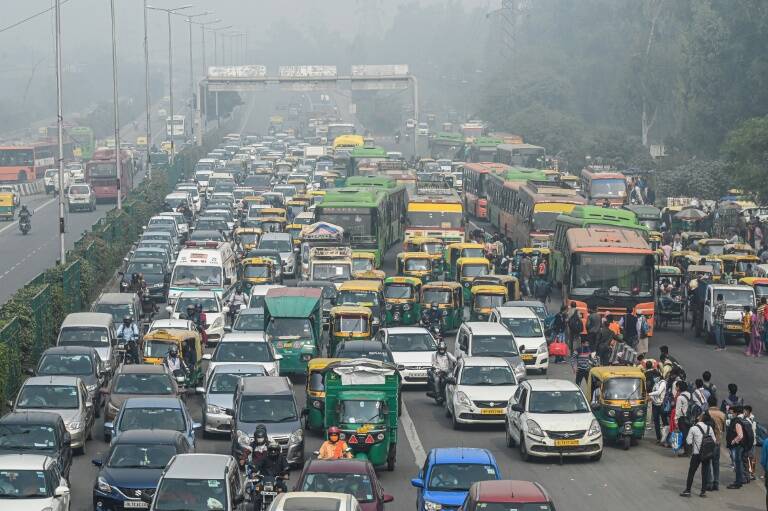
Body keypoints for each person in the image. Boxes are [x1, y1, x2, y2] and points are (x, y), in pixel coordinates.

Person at [680, 413, 717, 497]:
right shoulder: (709, 428)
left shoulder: (693, 428)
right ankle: (703, 492)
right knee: (705, 473)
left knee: (691, 472)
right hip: (707, 453)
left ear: (700, 418)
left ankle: (688, 490)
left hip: (696, 454)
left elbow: (688, 441)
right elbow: (714, 441)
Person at [705, 395, 726, 492]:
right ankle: (716, 483)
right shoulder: (722, 414)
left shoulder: (706, 413)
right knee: (716, 463)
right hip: (717, 441)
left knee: (707, 462)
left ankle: (708, 483)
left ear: (708, 403)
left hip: (708, 441)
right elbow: (724, 429)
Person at [726, 405, 750, 488]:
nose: (731, 414)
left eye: (732, 413)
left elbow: (740, 435)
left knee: (738, 464)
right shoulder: (743, 420)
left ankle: (738, 482)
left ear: (736, 413)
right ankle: (740, 480)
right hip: (742, 446)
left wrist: (733, 441)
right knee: (740, 463)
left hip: (738, 446)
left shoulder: (737, 422)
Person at [648, 363, 667, 444]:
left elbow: (658, 392)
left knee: (664, 421)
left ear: (659, 377)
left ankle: (665, 438)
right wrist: (650, 398)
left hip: (661, 405)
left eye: (655, 377)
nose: (654, 378)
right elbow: (653, 393)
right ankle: (658, 438)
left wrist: (649, 394)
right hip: (655, 404)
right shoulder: (655, 384)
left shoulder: (663, 383)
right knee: (656, 421)